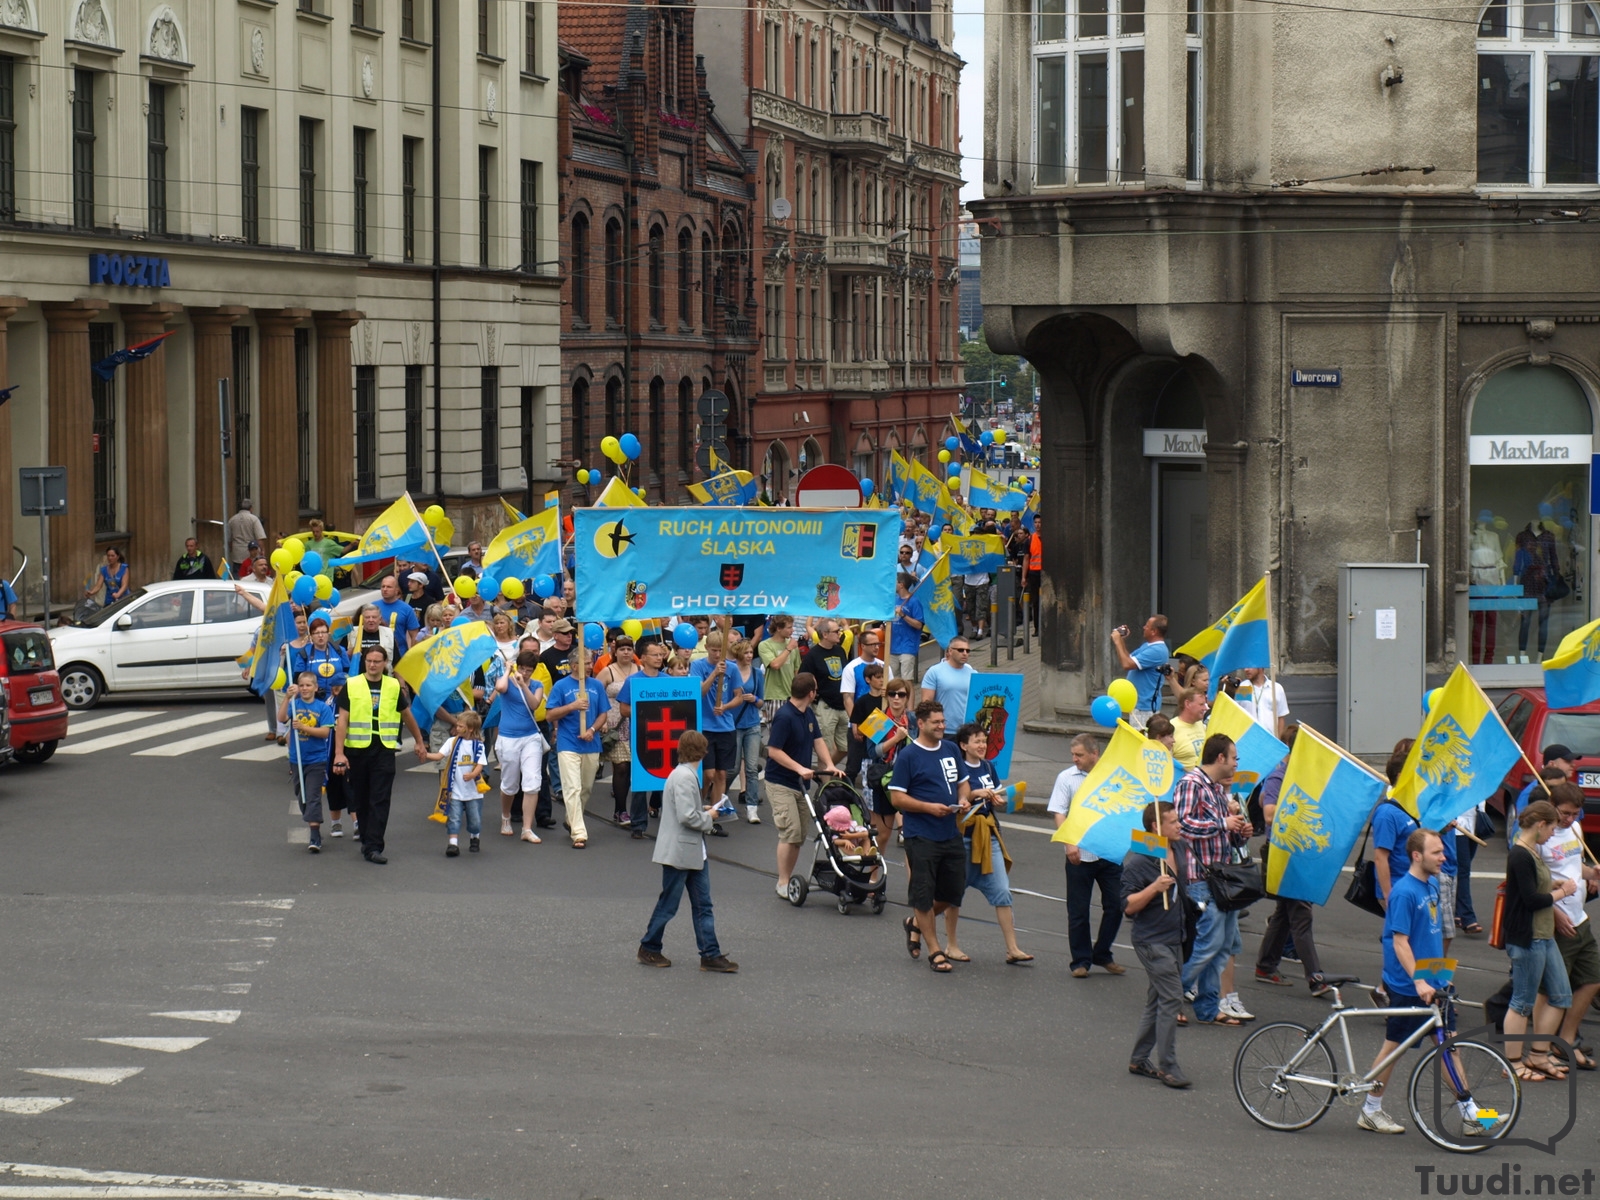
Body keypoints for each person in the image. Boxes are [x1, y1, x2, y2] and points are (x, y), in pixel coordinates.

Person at [1358, 828, 1504, 1136]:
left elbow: (1432, 935)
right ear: (1416, 856)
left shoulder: (1433, 884)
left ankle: (1472, 1114)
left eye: (1442, 851)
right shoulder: (1404, 893)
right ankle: (1370, 1109)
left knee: (1449, 1046)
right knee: (1394, 1049)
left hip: (1433, 981)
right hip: (1409, 985)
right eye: (1436, 852)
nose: (1444, 857)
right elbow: (1400, 943)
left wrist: (1443, 976)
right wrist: (1420, 982)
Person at [636, 730, 739, 973]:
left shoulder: (681, 774)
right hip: (683, 851)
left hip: (689, 851)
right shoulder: (685, 777)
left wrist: (703, 809)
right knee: (675, 904)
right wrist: (710, 816)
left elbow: (685, 811)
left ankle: (709, 953)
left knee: (699, 904)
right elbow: (687, 817)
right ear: (703, 751)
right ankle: (650, 947)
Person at [888, 700, 970, 974]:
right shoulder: (909, 756)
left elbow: (963, 783)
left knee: (953, 892)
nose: (942, 726)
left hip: (950, 832)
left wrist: (963, 799)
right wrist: (928, 808)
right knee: (923, 895)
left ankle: (914, 923)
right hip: (921, 835)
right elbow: (897, 798)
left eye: (943, 721)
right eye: (936, 722)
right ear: (920, 724)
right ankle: (935, 951)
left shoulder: (950, 749)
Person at [1177, 733, 1252, 1026]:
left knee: (1221, 949)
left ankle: (1208, 1009)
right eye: (1234, 758)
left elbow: (1223, 835)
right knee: (1208, 945)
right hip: (1202, 879)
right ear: (1220, 758)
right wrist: (1223, 822)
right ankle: (1170, 994)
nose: (1236, 764)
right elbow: (1183, 825)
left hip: (1222, 879)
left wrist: (1239, 832)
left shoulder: (1218, 790)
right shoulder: (1191, 784)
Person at [332, 646, 429, 864]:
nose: (373, 665)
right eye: (369, 661)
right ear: (364, 662)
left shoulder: (393, 685)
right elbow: (342, 720)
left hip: (384, 749)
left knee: (380, 798)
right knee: (361, 798)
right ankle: (367, 839)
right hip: (357, 750)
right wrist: (339, 753)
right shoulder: (352, 684)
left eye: (377, 661)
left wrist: (419, 741)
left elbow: (406, 714)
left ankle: (374, 846)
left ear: (385, 663)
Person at [1503, 800, 1578, 1083]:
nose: (1552, 834)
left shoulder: (1532, 852)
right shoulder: (1520, 854)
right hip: (1528, 937)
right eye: (1552, 828)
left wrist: (1552, 885)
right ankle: (1512, 1062)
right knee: (1522, 1002)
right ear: (1541, 824)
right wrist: (1564, 891)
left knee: (1561, 995)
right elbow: (1532, 900)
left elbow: (1535, 886)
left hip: (1544, 935)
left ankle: (1538, 1054)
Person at [1252, 727, 1330, 996]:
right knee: (1301, 914)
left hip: (1297, 852)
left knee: (1285, 914)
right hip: (1283, 854)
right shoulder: (1279, 776)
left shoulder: (1299, 775)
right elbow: (1269, 813)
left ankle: (1265, 966)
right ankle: (1315, 977)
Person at [948, 722, 1031, 965]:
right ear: (963, 745)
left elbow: (996, 794)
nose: (982, 745)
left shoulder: (988, 766)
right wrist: (975, 794)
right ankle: (951, 945)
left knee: (1002, 890)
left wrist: (1000, 800)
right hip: (963, 837)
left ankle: (1012, 948)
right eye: (977, 741)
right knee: (954, 893)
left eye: (984, 741)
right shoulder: (957, 768)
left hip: (988, 836)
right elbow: (955, 797)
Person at [1122, 800, 1191, 1089]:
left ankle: (1139, 1059)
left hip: (1175, 936)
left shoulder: (1178, 847)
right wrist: (1154, 888)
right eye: (1173, 822)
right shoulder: (1139, 862)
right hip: (1151, 941)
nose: (1179, 825)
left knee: (1157, 1000)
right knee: (1172, 997)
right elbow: (1128, 906)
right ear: (1155, 827)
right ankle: (1168, 1067)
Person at [1048, 733, 1125, 979]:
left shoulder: (1112, 776)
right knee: (1078, 910)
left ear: (1095, 754)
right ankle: (1080, 960)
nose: (1075, 759)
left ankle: (1102, 952)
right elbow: (1059, 812)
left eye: (1079, 755)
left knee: (1117, 904)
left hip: (1109, 853)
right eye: (1073, 755)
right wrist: (1069, 842)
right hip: (1079, 854)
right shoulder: (1067, 778)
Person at [1535, 783, 1600, 1070]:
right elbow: (1532, 881)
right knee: (1549, 990)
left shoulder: (1575, 829)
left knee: (1592, 979)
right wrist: (1553, 912)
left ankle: (1566, 1039)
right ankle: (1540, 1048)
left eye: (1575, 813)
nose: (1569, 819)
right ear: (1552, 806)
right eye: (1564, 813)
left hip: (1579, 917)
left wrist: (1592, 873)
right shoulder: (1541, 836)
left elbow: (1574, 867)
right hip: (1555, 921)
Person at [763, 672, 842, 896]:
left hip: (801, 785)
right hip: (781, 783)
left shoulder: (808, 713)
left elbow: (818, 741)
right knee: (791, 831)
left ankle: (788, 878)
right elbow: (773, 751)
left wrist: (829, 765)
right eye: (816, 689)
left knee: (799, 835)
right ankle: (783, 881)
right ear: (811, 693)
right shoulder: (785, 716)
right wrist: (799, 768)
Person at [544, 648, 611, 849]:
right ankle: (579, 833)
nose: (591, 666)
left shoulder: (596, 685)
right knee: (572, 787)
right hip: (568, 743)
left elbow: (603, 713)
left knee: (586, 788)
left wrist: (592, 729)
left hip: (591, 743)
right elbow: (550, 715)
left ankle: (571, 818)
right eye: (587, 663)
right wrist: (572, 706)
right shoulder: (561, 686)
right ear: (574, 666)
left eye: (591, 662)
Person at [494, 649, 549, 844]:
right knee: (510, 784)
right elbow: (499, 687)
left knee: (533, 782)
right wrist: (507, 670)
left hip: (530, 737)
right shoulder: (507, 681)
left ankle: (527, 828)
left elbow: (534, 704)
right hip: (508, 738)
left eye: (529, 670)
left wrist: (524, 685)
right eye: (523, 669)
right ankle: (506, 816)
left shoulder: (537, 685)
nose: (525, 673)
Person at [615, 639, 667, 838]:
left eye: (661, 654)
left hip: (664, 736)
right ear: (643, 658)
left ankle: (666, 819)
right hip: (641, 736)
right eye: (655, 655)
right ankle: (638, 824)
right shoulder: (633, 681)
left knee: (665, 779)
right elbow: (624, 709)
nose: (659, 658)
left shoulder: (667, 679)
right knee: (640, 780)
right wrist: (646, 711)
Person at [691, 629, 742, 827]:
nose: (717, 654)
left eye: (720, 650)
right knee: (708, 774)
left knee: (721, 774)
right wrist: (714, 673)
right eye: (713, 650)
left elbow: (738, 696)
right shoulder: (698, 666)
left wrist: (726, 707)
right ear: (706, 648)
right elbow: (699, 692)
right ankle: (698, 808)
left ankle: (715, 816)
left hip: (725, 726)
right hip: (705, 726)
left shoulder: (733, 668)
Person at [279, 671, 334, 854]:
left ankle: (315, 835)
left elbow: (325, 733)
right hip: (297, 759)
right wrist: (287, 697)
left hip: (316, 759)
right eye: (301, 685)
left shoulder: (322, 708)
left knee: (313, 796)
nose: (304, 689)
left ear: (315, 688)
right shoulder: (294, 704)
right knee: (301, 795)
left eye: (308, 685)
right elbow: (281, 718)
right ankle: (312, 822)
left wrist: (304, 727)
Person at [422, 710, 488, 857]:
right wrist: (425, 754)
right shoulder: (451, 742)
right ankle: (453, 844)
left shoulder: (478, 745)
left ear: (470, 728)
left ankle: (474, 837)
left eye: (460, 726)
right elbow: (439, 755)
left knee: (475, 820)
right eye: (457, 725)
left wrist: (473, 775)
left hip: (473, 792)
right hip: (455, 790)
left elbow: (480, 765)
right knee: (454, 818)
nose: (456, 728)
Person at [861, 679, 914, 856]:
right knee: (882, 835)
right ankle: (874, 869)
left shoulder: (913, 720)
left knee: (912, 837)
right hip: (885, 779)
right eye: (892, 694)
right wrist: (896, 739)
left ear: (907, 697)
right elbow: (871, 752)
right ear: (887, 696)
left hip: (909, 779)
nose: (896, 698)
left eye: (901, 694)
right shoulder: (877, 719)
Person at [597, 636, 639, 827]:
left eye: (629, 649)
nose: (626, 652)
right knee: (621, 767)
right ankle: (620, 810)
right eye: (622, 649)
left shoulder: (639, 670)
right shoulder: (608, 671)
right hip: (614, 724)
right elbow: (595, 695)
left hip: (637, 723)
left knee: (632, 768)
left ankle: (639, 808)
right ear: (615, 651)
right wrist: (602, 719)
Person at [726, 637, 765, 824]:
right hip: (733, 724)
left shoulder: (757, 674)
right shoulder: (730, 671)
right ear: (738, 654)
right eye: (746, 652)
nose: (750, 656)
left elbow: (761, 702)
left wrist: (754, 699)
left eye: (751, 652)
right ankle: (720, 795)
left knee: (751, 768)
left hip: (752, 724)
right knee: (732, 768)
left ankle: (752, 808)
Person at [800, 620, 849, 765]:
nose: (839, 633)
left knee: (846, 747)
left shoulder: (840, 650)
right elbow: (803, 678)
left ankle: (828, 769)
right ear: (825, 634)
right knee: (825, 750)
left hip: (842, 704)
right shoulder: (812, 655)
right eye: (836, 631)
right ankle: (825, 777)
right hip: (824, 706)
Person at [1111, 614, 1170, 730]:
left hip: (1146, 707)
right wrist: (1121, 640)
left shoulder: (1158, 650)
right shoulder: (1148, 646)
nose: (1144, 627)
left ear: (1153, 631)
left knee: (1142, 739)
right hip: (1138, 705)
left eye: (1147, 626)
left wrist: (1117, 642)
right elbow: (1129, 659)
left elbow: (1126, 665)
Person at [919, 638, 975, 723]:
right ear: (950, 651)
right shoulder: (934, 672)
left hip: (967, 727)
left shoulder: (973, 674)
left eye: (967, 651)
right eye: (961, 650)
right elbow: (926, 703)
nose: (965, 653)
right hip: (942, 727)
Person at [758, 615, 802, 718]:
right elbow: (775, 665)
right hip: (775, 696)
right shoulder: (765, 645)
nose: (792, 630)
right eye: (789, 627)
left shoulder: (793, 645)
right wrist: (788, 648)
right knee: (777, 727)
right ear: (778, 628)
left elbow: (797, 671)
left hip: (792, 696)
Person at [1232, 666, 1289, 739]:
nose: (1246, 669)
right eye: (1245, 667)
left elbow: (1281, 717)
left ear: (1260, 667)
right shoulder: (1244, 687)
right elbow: (1237, 714)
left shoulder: (1276, 688)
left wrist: (1278, 740)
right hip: (1249, 738)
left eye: (1250, 666)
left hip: (1270, 739)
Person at [890, 573, 925, 683]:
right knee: (893, 681)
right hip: (893, 646)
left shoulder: (914, 602)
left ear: (901, 585)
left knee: (907, 682)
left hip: (907, 646)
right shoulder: (894, 600)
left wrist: (903, 615)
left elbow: (919, 625)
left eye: (895, 582)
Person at [372, 574, 422, 648]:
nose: (385, 589)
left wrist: (412, 652)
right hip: (376, 651)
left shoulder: (407, 609)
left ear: (396, 590)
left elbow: (414, 635)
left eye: (389, 587)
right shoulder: (373, 606)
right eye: (383, 586)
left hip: (400, 651)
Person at [1169, 688, 1208, 769]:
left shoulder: (1201, 725)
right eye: (1201, 704)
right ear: (1188, 704)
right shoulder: (1171, 728)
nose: (1205, 708)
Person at [227, 500, 266, 573]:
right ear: (251, 508)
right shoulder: (254, 519)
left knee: (237, 575)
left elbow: (229, 540)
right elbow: (260, 538)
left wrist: (231, 550)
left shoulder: (232, 520)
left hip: (237, 554)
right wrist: (262, 550)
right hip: (251, 552)